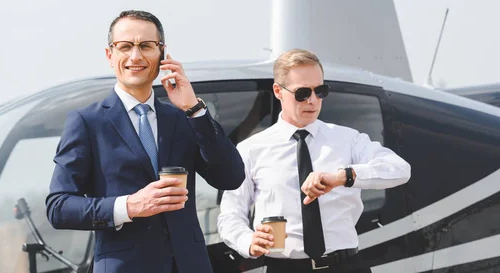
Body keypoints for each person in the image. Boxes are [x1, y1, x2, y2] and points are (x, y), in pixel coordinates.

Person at [45, 10, 245, 273]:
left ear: (162, 54)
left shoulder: (184, 118)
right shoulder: (87, 122)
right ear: (110, 55)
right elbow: (58, 207)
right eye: (125, 46)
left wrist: (195, 109)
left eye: (146, 46)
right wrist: (129, 206)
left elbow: (231, 178)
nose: (135, 56)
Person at [217, 49, 411, 273]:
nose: (313, 100)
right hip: (284, 268)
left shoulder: (347, 139)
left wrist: (343, 177)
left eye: (320, 91)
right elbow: (230, 215)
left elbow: (400, 169)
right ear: (278, 91)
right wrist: (248, 242)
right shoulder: (251, 149)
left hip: (345, 266)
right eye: (302, 93)